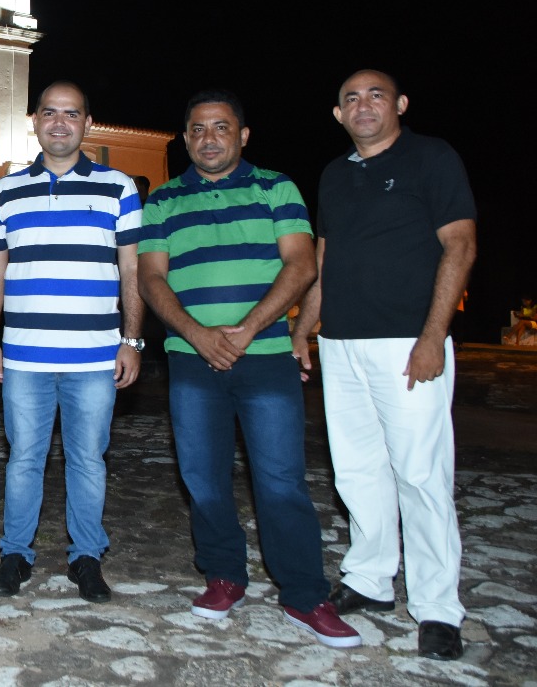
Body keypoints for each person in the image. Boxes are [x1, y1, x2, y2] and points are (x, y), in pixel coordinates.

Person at [137, 90, 360, 648]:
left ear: (243, 134)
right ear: (185, 137)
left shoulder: (276, 187)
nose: (208, 138)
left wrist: (248, 329)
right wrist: (198, 335)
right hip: (192, 362)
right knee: (203, 478)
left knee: (282, 480)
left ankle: (305, 594)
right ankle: (223, 575)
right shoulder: (162, 201)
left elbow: (302, 264)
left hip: (265, 360)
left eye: (221, 127)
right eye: (197, 129)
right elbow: (151, 279)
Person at [293, 69, 476, 661]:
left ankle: (437, 606)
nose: (364, 105)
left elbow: (461, 245)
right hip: (342, 345)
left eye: (375, 95)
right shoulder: (334, 174)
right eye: (351, 98)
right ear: (339, 114)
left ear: (398, 103)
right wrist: (305, 328)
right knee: (356, 470)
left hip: (408, 343)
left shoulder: (432, 158)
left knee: (420, 476)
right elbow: (326, 258)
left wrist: (433, 336)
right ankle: (370, 579)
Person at [0, 81, 143, 603]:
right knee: (23, 458)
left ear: (86, 124)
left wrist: (132, 341)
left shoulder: (118, 187)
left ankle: (87, 558)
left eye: (71, 114)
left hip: (95, 356)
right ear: (35, 121)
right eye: (49, 113)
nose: (59, 123)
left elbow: (132, 269)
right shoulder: (4, 191)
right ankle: (15, 555)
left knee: (88, 459)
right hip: (24, 355)